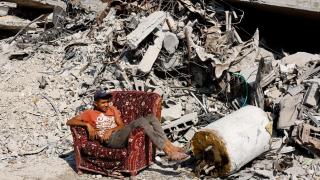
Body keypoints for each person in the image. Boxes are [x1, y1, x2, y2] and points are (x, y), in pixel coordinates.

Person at [67, 90, 189, 161]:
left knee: (151, 117)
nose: (106, 104)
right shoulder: (89, 113)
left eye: (107, 102)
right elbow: (69, 121)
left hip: (118, 134)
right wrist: (87, 124)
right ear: (95, 103)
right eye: (103, 102)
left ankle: (171, 146)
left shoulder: (112, 109)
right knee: (141, 121)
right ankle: (168, 152)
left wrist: (111, 129)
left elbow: (121, 125)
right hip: (110, 140)